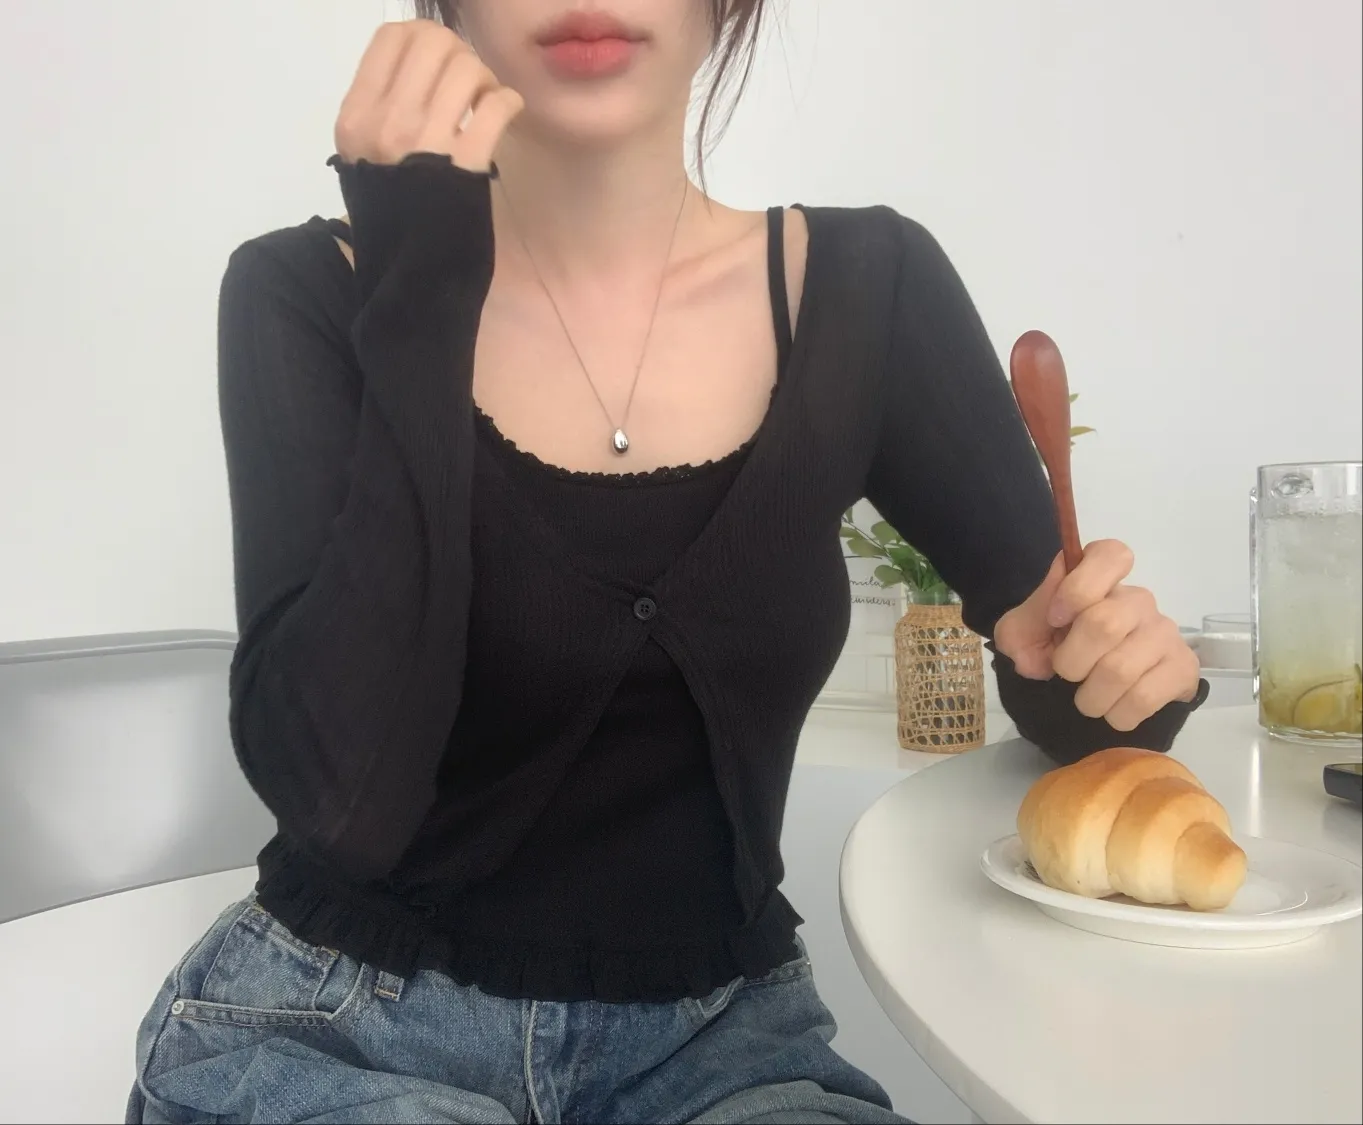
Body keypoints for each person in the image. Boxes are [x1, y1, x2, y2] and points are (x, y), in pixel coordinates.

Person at [127, 4, 1207, 1123]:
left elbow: (1060, 669)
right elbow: (341, 803)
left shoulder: (868, 287)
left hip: (722, 1049)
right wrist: (421, 293)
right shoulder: (308, 288)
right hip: (337, 1035)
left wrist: (1111, 671)